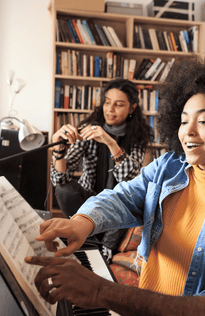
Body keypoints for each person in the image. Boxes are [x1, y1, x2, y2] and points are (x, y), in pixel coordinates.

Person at [27, 54, 205, 297]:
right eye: (183, 121)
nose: (188, 132)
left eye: (203, 121)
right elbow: (124, 197)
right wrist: (80, 223)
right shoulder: (167, 167)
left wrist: (171, 309)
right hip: (143, 305)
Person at [50, 78, 152, 257]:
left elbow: (131, 180)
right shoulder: (88, 130)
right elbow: (60, 180)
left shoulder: (137, 136)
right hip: (88, 200)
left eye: (119, 104)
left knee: (133, 199)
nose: (110, 110)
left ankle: (94, 243)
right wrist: (59, 152)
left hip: (119, 205)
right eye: (107, 102)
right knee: (65, 190)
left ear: (132, 107)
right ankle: (95, 244)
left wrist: (110, 142)